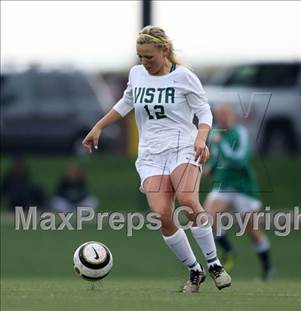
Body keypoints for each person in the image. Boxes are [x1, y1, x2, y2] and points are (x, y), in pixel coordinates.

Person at [82, 26, 231, 293]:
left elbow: (204, 112)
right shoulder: (137, 74)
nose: (144, 62)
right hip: (151, 154)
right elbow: (126, 103)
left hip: (183, 148)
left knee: (187, 200)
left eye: (149, 56)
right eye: (140, 56)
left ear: (164, 51)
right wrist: (98, 126)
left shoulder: (184, 76)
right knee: (162, 214)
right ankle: (194, 271)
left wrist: (201, 138)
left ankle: (215, 263)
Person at [204, 103, 272, 280]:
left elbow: (240, 160)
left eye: (225, 113)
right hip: (223, 185)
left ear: (232, 115)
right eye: (219, 114)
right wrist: (207, 168)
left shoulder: (239, 133)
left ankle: (267, 269)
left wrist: (223, 145)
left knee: (252, 231)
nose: (221, 117)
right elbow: (215, 159)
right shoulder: (215, 134)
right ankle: (228, 250)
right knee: (207, 217)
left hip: (243, 187)